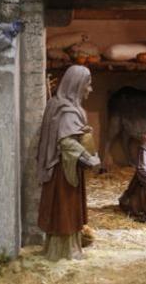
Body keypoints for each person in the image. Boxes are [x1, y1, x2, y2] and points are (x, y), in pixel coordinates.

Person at [37, 65, 100, 261]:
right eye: (87, 85)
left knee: (65, 209)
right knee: (65, 209)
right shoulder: (67, 111)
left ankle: (62, 248)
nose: (90, 89)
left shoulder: (57, 105)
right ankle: (65, 252)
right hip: (63, 171)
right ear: (77, 85)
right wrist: (89, 159)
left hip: (64, 168)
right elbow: (65, 142)